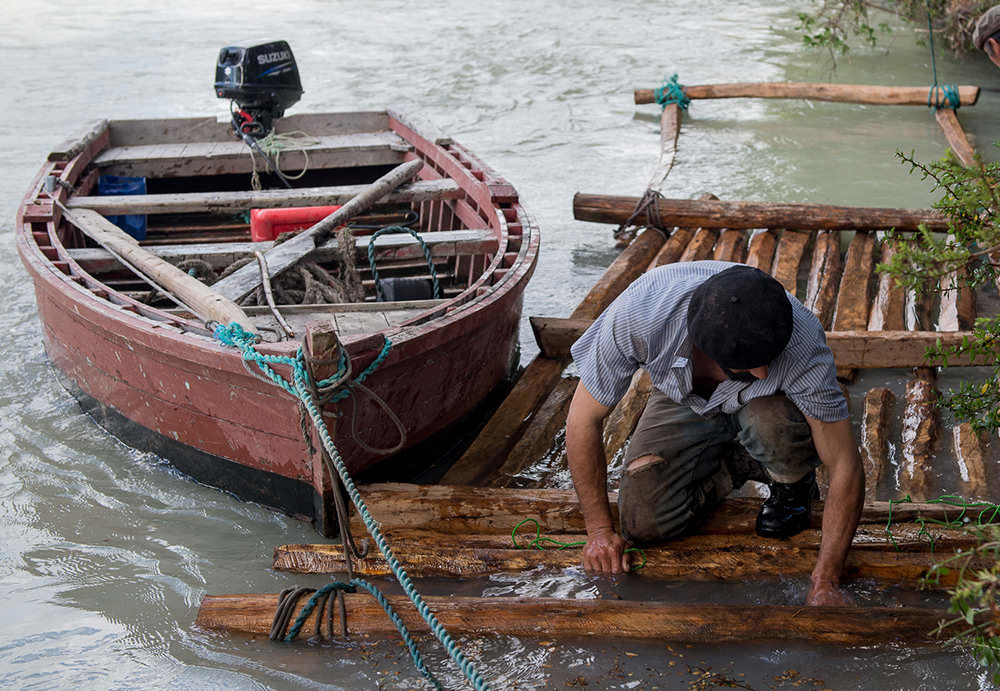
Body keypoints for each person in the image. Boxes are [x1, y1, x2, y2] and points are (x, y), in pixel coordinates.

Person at [565, 261, 864, 606]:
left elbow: (845, 465)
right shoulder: (640, 315)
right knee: (641, 523)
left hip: (767, 408)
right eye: (750, 363)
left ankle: (792, 483)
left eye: (770, 359)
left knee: (772, 424)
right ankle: (732, 464)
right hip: (684, 397)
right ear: (704, 350)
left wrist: (826, 580)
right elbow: (582, 421)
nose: (765, 372)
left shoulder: (802, 345)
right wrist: (600, 532)